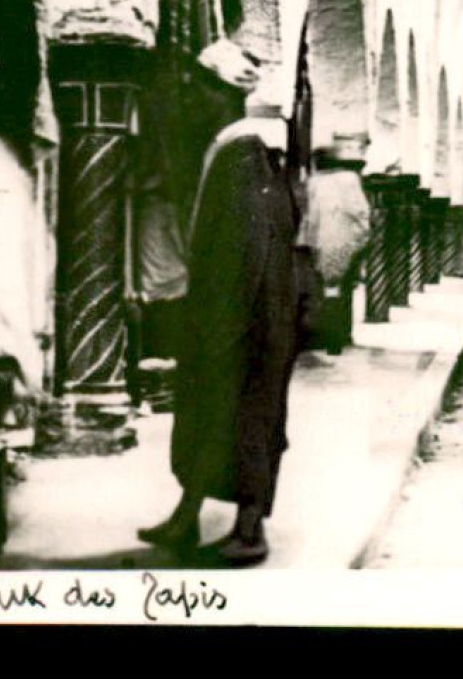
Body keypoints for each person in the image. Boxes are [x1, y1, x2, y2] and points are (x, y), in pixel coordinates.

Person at [137, 68, 299, 566]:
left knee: (248, 416)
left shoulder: (242, 159)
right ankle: (186, 516)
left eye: (201, 87)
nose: (191, 95)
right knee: (209, 415)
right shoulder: (237, 153)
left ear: (226, 95)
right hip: (234, 312)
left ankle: (250, 528)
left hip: (244, 319)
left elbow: (248, 252)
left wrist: (223, 324)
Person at [297, 134, 372, 356]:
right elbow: (361, 212)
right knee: (343, 289)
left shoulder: (312, 182)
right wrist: (363, 237)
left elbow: (306, 215)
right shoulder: (350, 179)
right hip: (346, 241)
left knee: (324, 290)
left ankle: (324, 336)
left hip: (317, 241)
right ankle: (341, 335)